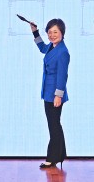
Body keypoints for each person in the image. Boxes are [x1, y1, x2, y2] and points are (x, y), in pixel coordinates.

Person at [30, 19, 70, 168]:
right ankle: (60, 154)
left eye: (55, 32)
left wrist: (58, 95)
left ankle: (52, 158)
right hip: (48, 92)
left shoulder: (63, 52)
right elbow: (42, 48)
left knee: (53, 125)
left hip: (54, 95)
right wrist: (35, 31)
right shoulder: (52, 47)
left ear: (62, 33)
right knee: (54, 124)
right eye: (50, 32)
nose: (52, 35)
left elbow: (62, 75)